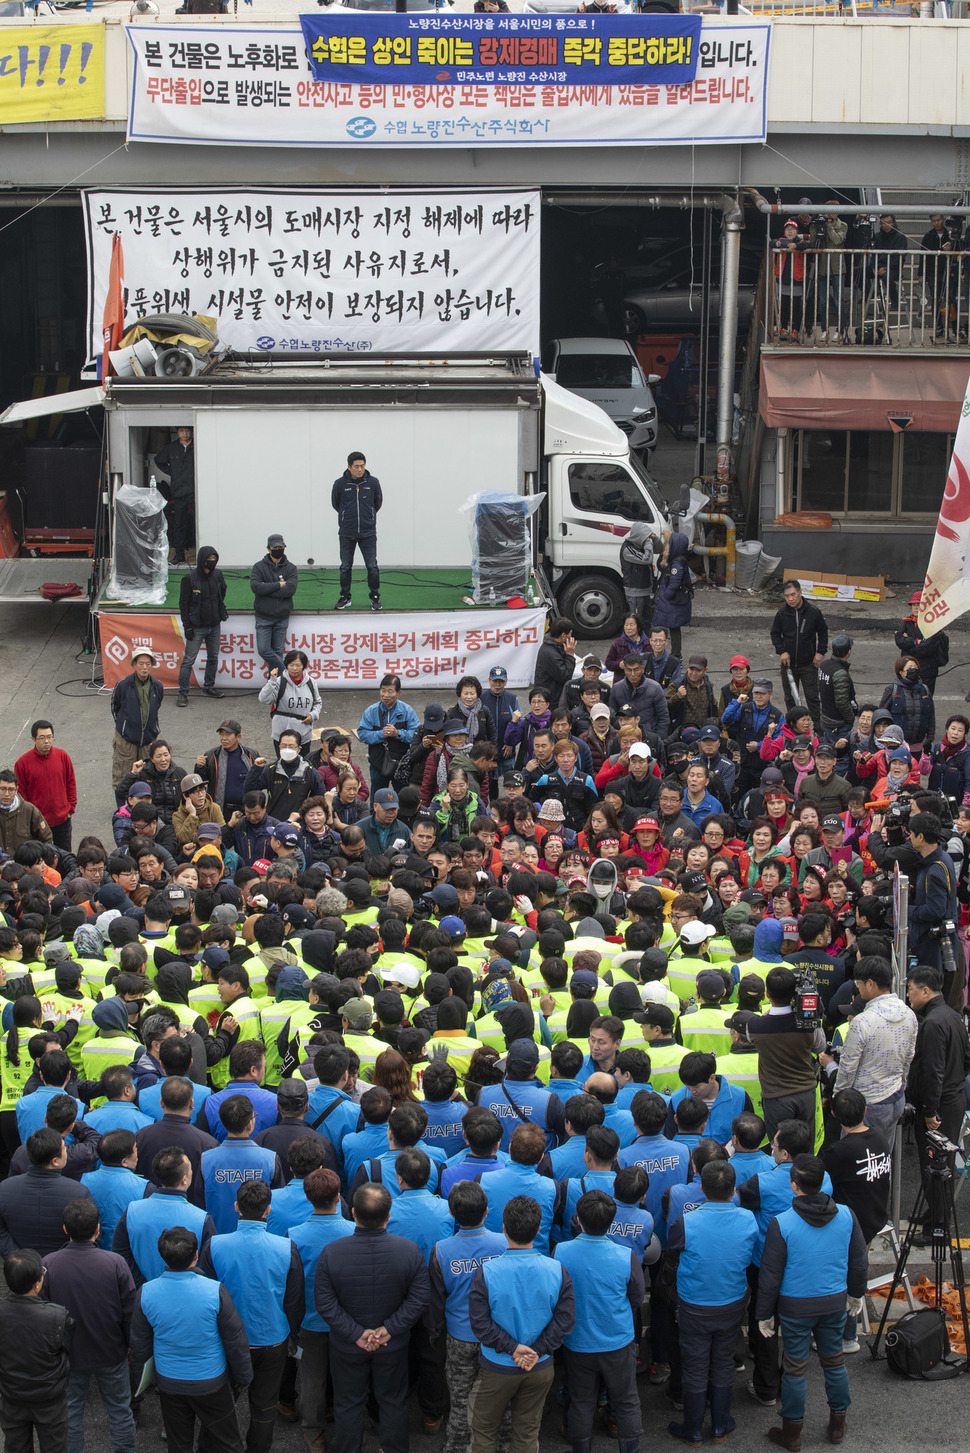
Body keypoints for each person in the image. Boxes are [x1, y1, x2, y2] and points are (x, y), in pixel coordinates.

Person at [756, 1154, 867, 1451]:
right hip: (834, 1302)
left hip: (794, 1306)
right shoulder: (846, 1215)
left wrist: (764, 1314)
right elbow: (858, 1260)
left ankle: (791, 1432)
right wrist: (856, 1293)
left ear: (794, 1185)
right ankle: (838, 1424)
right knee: (834, 1362)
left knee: (794, 1368)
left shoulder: (782, 1224)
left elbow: (770, 1275)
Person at [314, 1182, 430, 1453]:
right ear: (389, 1216)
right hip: (393, 1345)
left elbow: (325, 1303)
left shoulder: (332, 1253)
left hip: (346, 1346)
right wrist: (389, 1330)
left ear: (353, 1213)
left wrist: (356, 1333)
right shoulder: (409, 1252)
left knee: (348, 1402)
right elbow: (419, 1298)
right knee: (392, 1401)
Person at [199, 1180, 304, 1453]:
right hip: (273, 1339)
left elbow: (207, 1295)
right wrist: (294, 1336)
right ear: (268, 1210)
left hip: (228, 1341)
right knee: (264, 1405)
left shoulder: (214, 1246)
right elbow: (294, 1301)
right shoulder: (286, 1247)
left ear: (236, 1207)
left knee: (222, 1403)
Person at [468, 1193, 575, 1453]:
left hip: (497, 1366)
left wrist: (513, 1349)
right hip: (539, 1367)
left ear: (503, 1228)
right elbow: (565, 1320)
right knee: (527, 1434)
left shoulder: (487, 1272)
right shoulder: (556, 1270)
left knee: (483, 1431)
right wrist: (536, 1350)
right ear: (538, 1229)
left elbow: (480, 1324)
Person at [130, 1226, 252, 1453]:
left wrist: (139, 1383)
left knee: (179, 1444)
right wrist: (243, 1377)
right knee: (228, 1443)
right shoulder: (215, 1291)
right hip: (211, 1381)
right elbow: (235, 1339)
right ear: (196, 1256)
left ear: (163, 1255)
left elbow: (139, 1346)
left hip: (169, 1382)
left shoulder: (146, 1292)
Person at [666, 1160, 758, 1443]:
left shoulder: (686, 1222)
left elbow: (672, 1255)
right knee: (723, 1362)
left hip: (693, 1304)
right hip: (731, 1301)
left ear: (702, 1188)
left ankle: (692, 1428)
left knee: (694, 1365)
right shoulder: (748, 1220)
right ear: (733, 1191)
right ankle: (720, 1424)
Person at [42, 1196, 137, 1453]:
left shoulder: (48, 1264)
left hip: (69, 1354)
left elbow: (43, 1312)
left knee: (71, 1412)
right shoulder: (115, 1263)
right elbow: (129, 1310)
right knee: (119, 1410)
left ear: (65, 1229)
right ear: (98, 1229)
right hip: (111, 1350)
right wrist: (130, 1345)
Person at [554, 1189, 643, 1453]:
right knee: (626, 1401)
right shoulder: (625, 1256)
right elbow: (637, 1296)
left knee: (581, 1401)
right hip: (618, 1341)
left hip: (577, 1342)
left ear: (578, 1220)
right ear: (611, 1222)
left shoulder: (561, 1251)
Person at [428, 1180, 507, 1453]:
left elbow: (437, 1299)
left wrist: (435, 1334)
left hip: (459, 1335)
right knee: (500, 1399)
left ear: (452, 1214)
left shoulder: (441, 1250)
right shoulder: (503, 1244)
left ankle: (457, 1446)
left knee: (460, 1400)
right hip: (497, 1337)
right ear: (487, 1212)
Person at [289, 1168, 354, 1453]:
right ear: (339, 1197)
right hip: (347, 1321)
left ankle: (313, 1432)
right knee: (347, 1380)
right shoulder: (354, 1231)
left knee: (311, 1381)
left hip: (309, 1321)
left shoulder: (294, 1235)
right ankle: (347, 1428)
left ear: (308, 1197)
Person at [905, 964, 970, 1239]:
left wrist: (930, 1111)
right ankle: (934, 1214)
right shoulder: (954, 1016)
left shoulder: (932, 1024)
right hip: (952, 1099)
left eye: (910, 990)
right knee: (937, 1164)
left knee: (935, 1165)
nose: (908, 996)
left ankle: (938, 1226)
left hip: (938, 1107)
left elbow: (932, 1071)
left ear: (925, 990)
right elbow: (966, 1059)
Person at [832, 955, 917, 1141]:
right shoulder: (909, 1014)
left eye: (859, 983)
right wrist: (901, 1085)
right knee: (883, 1158)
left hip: (865, 1104)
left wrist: (838, 1101)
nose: (858, 987)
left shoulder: (862, 1022)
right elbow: (908, 1057)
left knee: (859, 1160)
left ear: (870, 984)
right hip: (895, 1097)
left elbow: (848, 1068)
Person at [0, 1247, 72, 1453]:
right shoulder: (57, 1316)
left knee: (15, 1445)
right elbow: (67, 1350)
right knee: (55, 1447)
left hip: (11, 1395)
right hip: (49, 1398)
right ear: (38, 1283)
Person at [746, 968, 824, 1140]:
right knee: (805, 1145)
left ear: (766, 993)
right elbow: (820, 1046)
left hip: (776, 1097)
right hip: (806, 1094)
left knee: (780, 1146)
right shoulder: (808, 1023)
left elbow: (756, 1034)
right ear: (794, 992)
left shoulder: (754, 1026)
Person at [0, 1128, 95, 1257]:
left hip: (19, 1269)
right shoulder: (78, 1192)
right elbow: (85, 1234)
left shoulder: (5, 1188)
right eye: (64, 1149)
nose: (67, 1151)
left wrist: (18, 1258)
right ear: (55, 1161)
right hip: (61, 1267)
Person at [907, 812, 962, 1001]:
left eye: (911, 833)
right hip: (931, 942)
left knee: (929, 996)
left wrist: (906, 909)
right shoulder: (940, 859)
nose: (909, 837)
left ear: (921, 837)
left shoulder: (936, 869)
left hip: (932, 946)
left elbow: (935, 910)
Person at [770, 580, 827, 727]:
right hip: (788, 665)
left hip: (809, 664)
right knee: (790, 698)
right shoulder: (782, 614)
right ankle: (793, 727)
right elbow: (775, 634)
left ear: (800, 593)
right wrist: (781, 651)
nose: (790, 599)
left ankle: (818, 729)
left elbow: (823, 632)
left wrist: (820, 652)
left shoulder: (813, 612)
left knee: (812, 698)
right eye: (787, 596)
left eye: (793, 595)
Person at [332, 450, 383, 612]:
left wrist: (369, 518)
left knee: (372, 566)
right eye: (356, 466)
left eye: (362, 466)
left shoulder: (373, 483)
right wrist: (347, 517)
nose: (360, 469)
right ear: (349, 467)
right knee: (345, 566)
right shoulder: (340, 484)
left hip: (368, 533)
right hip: (347, 533)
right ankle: (345, 597)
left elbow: (377, 503)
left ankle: (375, 597)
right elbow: (336, 504)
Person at [14, 720, 76, 852]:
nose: (46, 741)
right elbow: (21, 794)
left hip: (62, 820)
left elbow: (70, 782)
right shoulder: (22, 763)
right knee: (39, 858)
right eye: (42, 738)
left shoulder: (62, 756)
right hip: (37, 822)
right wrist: (29, 816)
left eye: (49, 737)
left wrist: (70, 808)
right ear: (33, 739)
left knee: (64, 856)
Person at [177, 545, 227, 708]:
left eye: (214, 559)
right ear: (201, 560)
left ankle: (209, 687)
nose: (211, 562)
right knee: (188, 661)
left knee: (213, 657)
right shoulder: (189, 578)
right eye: (209, 559)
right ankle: (183, 693)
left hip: (214, 624)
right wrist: (187, 626)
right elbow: (183, 604)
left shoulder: (218, 575)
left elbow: (222, 593)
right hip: (196, 627)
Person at [110, 647, 164, 789]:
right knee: (123, 773)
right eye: (141, 663)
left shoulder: (157, 686)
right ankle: (122, 808)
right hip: (126, 739)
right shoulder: (123, 685)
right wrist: (125, 726)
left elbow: (156, 707)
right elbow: (115, 707)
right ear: (134, 664)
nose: (144, 667)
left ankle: (144, 806)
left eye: (148, 664)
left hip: (148, 739)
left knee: (147, 773)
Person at [357, 674, 421, 793]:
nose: (386, 695)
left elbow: (416, 735)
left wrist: (398, 733)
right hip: (378, 762)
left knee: (402, 797)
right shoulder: (371, 711)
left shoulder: (407, 711)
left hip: (401, 763)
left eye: (390, 691)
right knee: (378, 797)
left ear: (398, 693)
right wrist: (381, 734)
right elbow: (362, 734)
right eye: (383, 690)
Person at [250, 534, 299, 677]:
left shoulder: (291, 568)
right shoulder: (258, 567)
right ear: (268, 549)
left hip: (282, 616)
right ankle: (287, 672)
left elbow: (290, 589)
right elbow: (256, 587)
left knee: (277, 651)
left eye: (281, 547)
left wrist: (267, 589)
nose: (278, 550)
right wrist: (278, 585)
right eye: (275, 548)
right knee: (264, 650)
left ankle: (274, 685)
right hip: (263, 617)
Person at [257, 650, 322, 753]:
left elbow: (317, 702)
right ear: (286, 665)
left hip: (303, 734)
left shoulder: (311, 682)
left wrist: (313, 715)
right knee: (282, 765)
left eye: (298, 665)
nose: (294, 668)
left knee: (303, 764)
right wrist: (272, 681)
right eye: (291, 665)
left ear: (304, 666)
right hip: (282, 735)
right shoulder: (279, 681)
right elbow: (263, 699)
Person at [155, 425, 196, 565]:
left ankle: (199, 552)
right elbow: (158, 460)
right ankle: (179, 555)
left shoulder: (197, 446)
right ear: (177, 432)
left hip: (196, 491)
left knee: (198, 522)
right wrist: (173, 472)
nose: (185, 433)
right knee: (179, 524)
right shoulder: (171, 448)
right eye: (182, 430)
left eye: (187, 430)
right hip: (178, 491)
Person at [895, 590, 948, 697]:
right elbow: (899, 640)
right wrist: (916, 642)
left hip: (927, 672)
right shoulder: (907, 621)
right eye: (913, 605)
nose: (915, 607)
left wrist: (909, 642)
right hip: (908, 670)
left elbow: (925, 649)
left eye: (919, 604)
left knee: (924, 699)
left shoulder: (933, 625)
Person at [652, 532, 692, 658]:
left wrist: (667, 595)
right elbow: (662, 567)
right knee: (670, 628)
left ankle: (675, 655)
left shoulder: (677, 563)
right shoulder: (673, 559)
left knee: (671, 629)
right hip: (668, 602)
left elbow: (675, 582)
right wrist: (662, 556)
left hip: (672, 602)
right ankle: (672, 654)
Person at [533, 618, 577, 705]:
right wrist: (570, 656)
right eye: (570, 633)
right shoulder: (550, 653)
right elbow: (565, 676)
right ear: (563, 635)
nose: (571, 636)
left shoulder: (555, 646)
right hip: (550, 699)